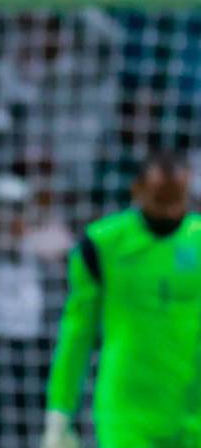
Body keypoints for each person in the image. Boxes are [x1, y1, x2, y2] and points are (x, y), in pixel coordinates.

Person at [42, 152, 201, 448]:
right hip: (126, 411)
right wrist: (59, 412)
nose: (168, 212)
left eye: (176, 200)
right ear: (137, 190)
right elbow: (78, 332)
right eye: (160, 200)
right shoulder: (102, 243)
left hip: (193, 410)